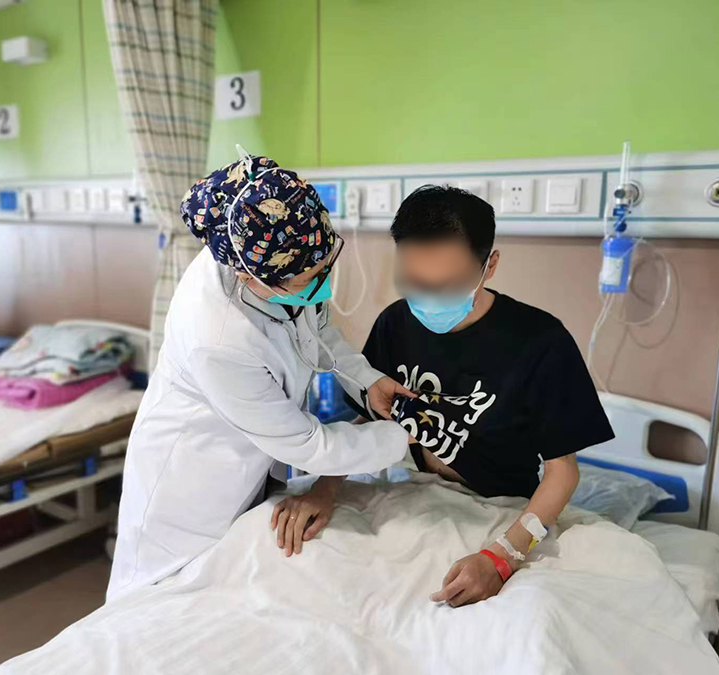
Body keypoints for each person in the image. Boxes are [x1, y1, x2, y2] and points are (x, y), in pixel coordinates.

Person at [271, 185, 614, 608]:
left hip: (502, 513)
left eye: (448, 285)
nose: (427, 298)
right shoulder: (395, 323)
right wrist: (325, 489)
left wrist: (503, 558)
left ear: (489, 266)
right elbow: (374, 416)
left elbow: (563, 473)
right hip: (413, 495)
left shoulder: (541, 343)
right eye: (413, 282)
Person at [107, 153, 414, 601]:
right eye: (309, 280)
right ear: (249, 277)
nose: (323, 285)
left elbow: (318, 332)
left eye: (326, 266)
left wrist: (366, 381)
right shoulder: (217, 338)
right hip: (190, 490)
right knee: (164, 604)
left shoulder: (283, 258)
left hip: (253, 469)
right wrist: (404, 438)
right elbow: (310, 445)